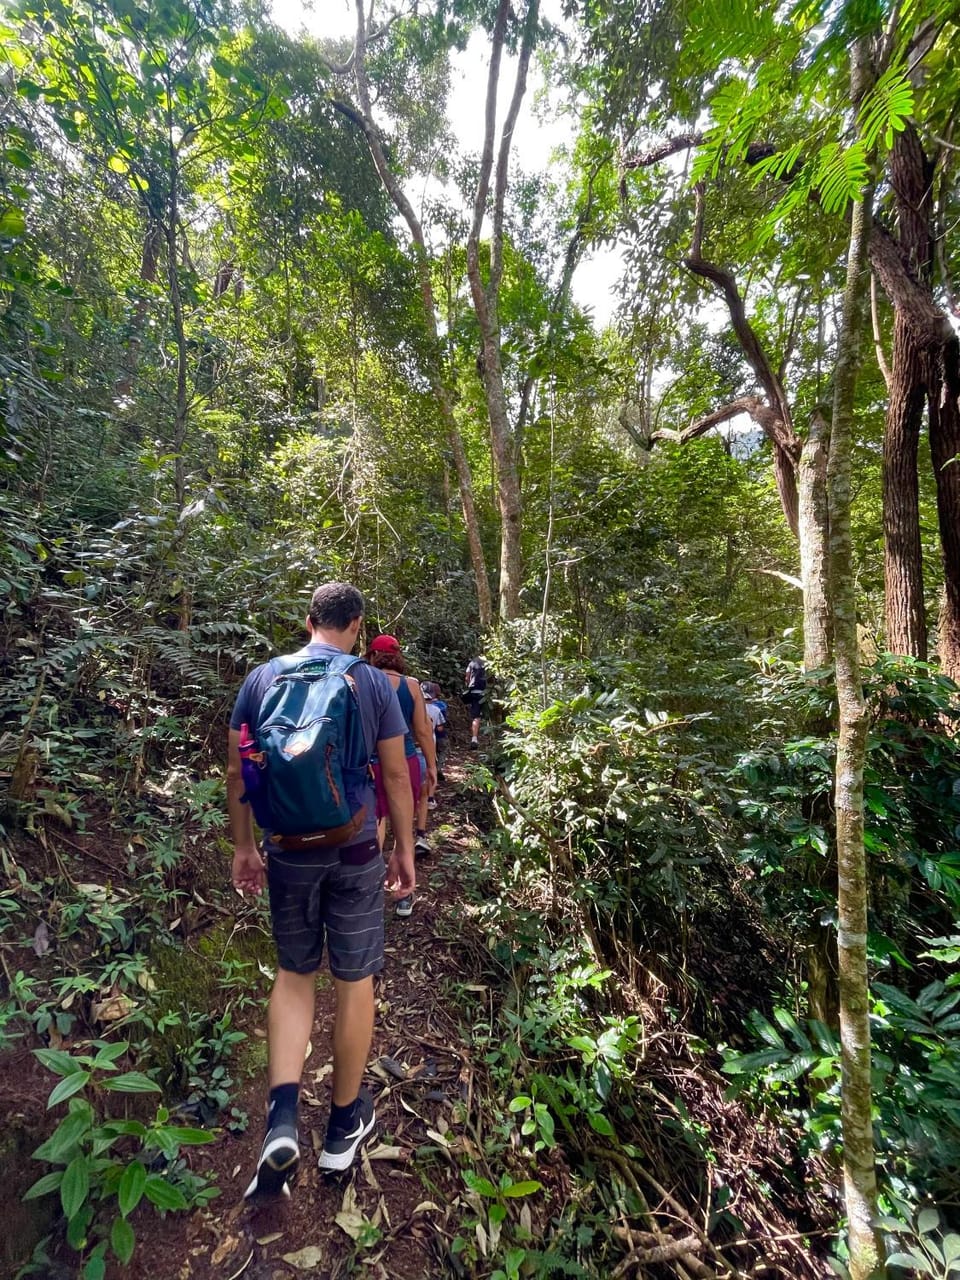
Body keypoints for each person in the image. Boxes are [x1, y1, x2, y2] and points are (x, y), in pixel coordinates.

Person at [227, 583, 415, 1199]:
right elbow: (393, 773)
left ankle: (282, 1117)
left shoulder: (260, 681)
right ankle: (340, 1128)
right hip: (357, 846)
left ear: (308, 621)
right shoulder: (372, 684)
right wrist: (405, 851)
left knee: (294, 973)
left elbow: (240, 770)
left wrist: (244, 846)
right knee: (353, 979)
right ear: (356, 625)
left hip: (287, 850)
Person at [365, 635, 437, 917]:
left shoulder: (362, 682)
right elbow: (422, 730)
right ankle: (403, 895)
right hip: (406, 760)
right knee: (403, 826)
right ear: (397, 656)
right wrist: (431, 765)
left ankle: (370, 887)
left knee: (376, 821)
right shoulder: (411, 686)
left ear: (373, 655)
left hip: (370, 763)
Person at [422, 682, 448, 789]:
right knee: (442, 751)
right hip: (438, 737)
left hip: (421, 739)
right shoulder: (441, 706)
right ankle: (438, 769)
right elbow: (441, 726)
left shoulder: (417, 707)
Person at [464, 656, 487, 749]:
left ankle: (474, 739)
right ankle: (491, 739)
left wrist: (467, 686)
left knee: (476, 717)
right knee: (488, 715)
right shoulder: (489, 663)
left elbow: (467, 676)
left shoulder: (472, 663)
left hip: (474, 691)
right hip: (487, 693)